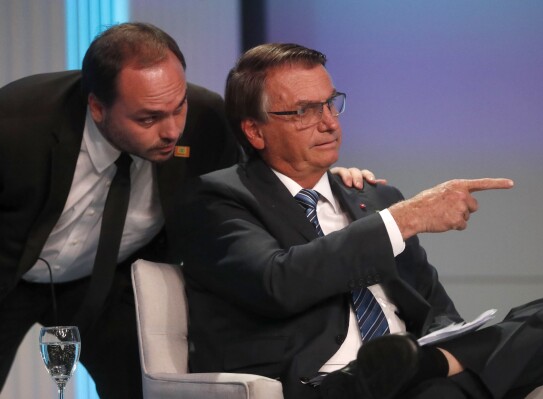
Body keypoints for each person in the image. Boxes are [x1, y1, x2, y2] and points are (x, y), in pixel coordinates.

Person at [176, 43, 543, 399]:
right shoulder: (219, 199)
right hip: (327, 384)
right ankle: (420, 370)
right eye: (304, 111)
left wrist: (450, 342)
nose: (329, 123)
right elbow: (278, 282)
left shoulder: (373, 198)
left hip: (415, 374)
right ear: (255, 131)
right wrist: (402, 219)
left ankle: (427, 365)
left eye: (330, 102)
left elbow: (433, 308)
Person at [0, 23, 376, 398]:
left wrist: (326, 178)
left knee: (142, 386)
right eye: (148, 118)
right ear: (98, 107)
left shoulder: (205, 119)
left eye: (177, 107)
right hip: (10, 271)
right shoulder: (18, 123)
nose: (172, 130)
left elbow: (266, 174)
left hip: (112, 278)